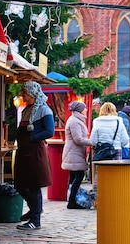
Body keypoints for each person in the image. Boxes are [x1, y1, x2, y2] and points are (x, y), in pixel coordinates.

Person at [14, 81, 55, 230]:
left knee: (34, 185)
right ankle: (34, 209)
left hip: (34, 153)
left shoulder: (44, 110)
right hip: (23, 152)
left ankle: (35, 219)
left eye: (25, 93)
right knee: (20, 184)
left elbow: (49, 131)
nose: (23, 95)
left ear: (32, 93)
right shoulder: (26, 110)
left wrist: (32, 138)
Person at [61, 101, 94, 209]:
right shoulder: (75, 121)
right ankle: (71, 202)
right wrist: (92, 142)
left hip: (75, 152)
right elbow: (78, 139)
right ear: (79, 110)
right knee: (78, 176)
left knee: (74, 177)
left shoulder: (76, 120)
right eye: (84, 108)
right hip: (73, 152)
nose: (86, 110)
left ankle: (72, 200)